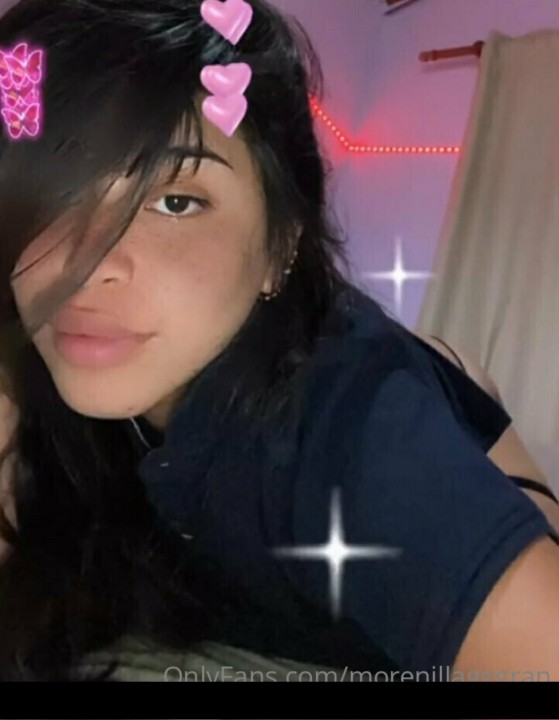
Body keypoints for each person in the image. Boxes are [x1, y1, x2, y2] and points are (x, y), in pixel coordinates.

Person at [0, 0, 559, 683]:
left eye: (176, 201)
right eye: (55, 193)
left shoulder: (345, 437)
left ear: (281, 245)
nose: (87, 262)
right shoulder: (54, 366)